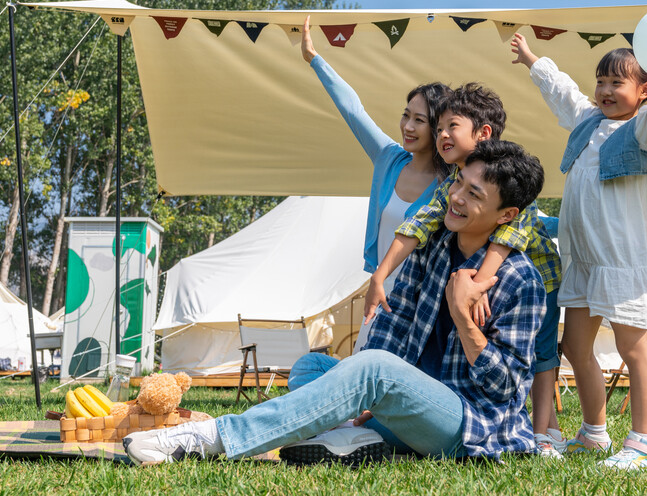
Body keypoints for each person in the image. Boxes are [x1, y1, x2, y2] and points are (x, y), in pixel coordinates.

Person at [123, 140, 548, 465]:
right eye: (458, 183)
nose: (456, 197)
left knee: (372, 370)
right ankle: (354, 432)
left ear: (506, 215)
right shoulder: (435, 245)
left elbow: (507, 388)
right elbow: (394, 323)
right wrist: (365, 390)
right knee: (315, 367)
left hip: (470, 426)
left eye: (475, 195)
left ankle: (212, 439)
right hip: (411, 403)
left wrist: (463, 319)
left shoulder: (519, 279)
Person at [509, 32, 647, 470]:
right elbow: (561, 91)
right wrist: (532, 58)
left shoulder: (641, 129)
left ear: (642, 91)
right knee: (574, 346)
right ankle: (594, 433)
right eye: (601, 81)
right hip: (584, 260)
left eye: (617, 83)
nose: (606, 91)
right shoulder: (587, 121)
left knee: (634, 349)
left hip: (621, 259)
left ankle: (644, 442)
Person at [367, 83, 565, 457]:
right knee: (316, 367)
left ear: (482, 134)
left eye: (449, 126)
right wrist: (379, 275)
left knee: (540, 360)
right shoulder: (450, 189)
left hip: (534, 284)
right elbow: (417, 224)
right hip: (477, 291)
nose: (441, 134)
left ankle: (542, 433)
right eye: (438, 127)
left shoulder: (511, 188)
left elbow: (505, 240)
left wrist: (476, 284)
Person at [298, 16, 450, 356]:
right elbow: (353, 109)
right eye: (406, 114)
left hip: (419, 305)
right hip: (377, 295)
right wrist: (314, 59)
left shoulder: (450, 183)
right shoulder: (388, 159)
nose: (408, 126)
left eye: (419, 120)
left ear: (439, 127)